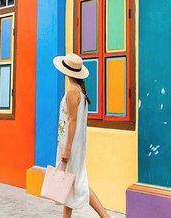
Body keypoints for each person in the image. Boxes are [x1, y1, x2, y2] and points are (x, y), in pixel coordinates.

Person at [53, 53, 111, 218]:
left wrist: (67, 149)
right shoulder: (79, 92)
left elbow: (72, 121)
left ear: (66, 72)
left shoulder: (72, 92)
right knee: (69, 183)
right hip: (74, 145)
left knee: (79, 184)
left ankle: (106, 216)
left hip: (70, 145)